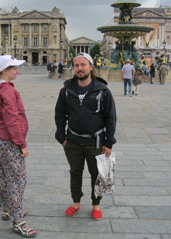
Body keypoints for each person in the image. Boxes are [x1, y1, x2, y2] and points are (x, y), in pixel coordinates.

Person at [55, 52, 117, 221]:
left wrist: (109, 142)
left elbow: (110, 118)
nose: (80, 68)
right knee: (75, 172)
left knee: (97, 175)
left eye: (83, 65)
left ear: (91, 67)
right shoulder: (66, 91)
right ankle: (75, 202)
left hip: (95, 140)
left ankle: (96, 205)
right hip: (73, 140)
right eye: (77, 65)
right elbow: (60, 115)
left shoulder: (103, 91)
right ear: (73, 68)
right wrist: (62, 138)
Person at [0, 55, 37, 238]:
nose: (18, 71)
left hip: (0, 139)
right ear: (5, 70)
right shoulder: (7, 90)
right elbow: (12, 119)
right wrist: (21, 144)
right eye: (14, 68)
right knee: (18, 179)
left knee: (4, 176)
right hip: (10, 140)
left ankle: (7, 208)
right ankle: (18, 221)